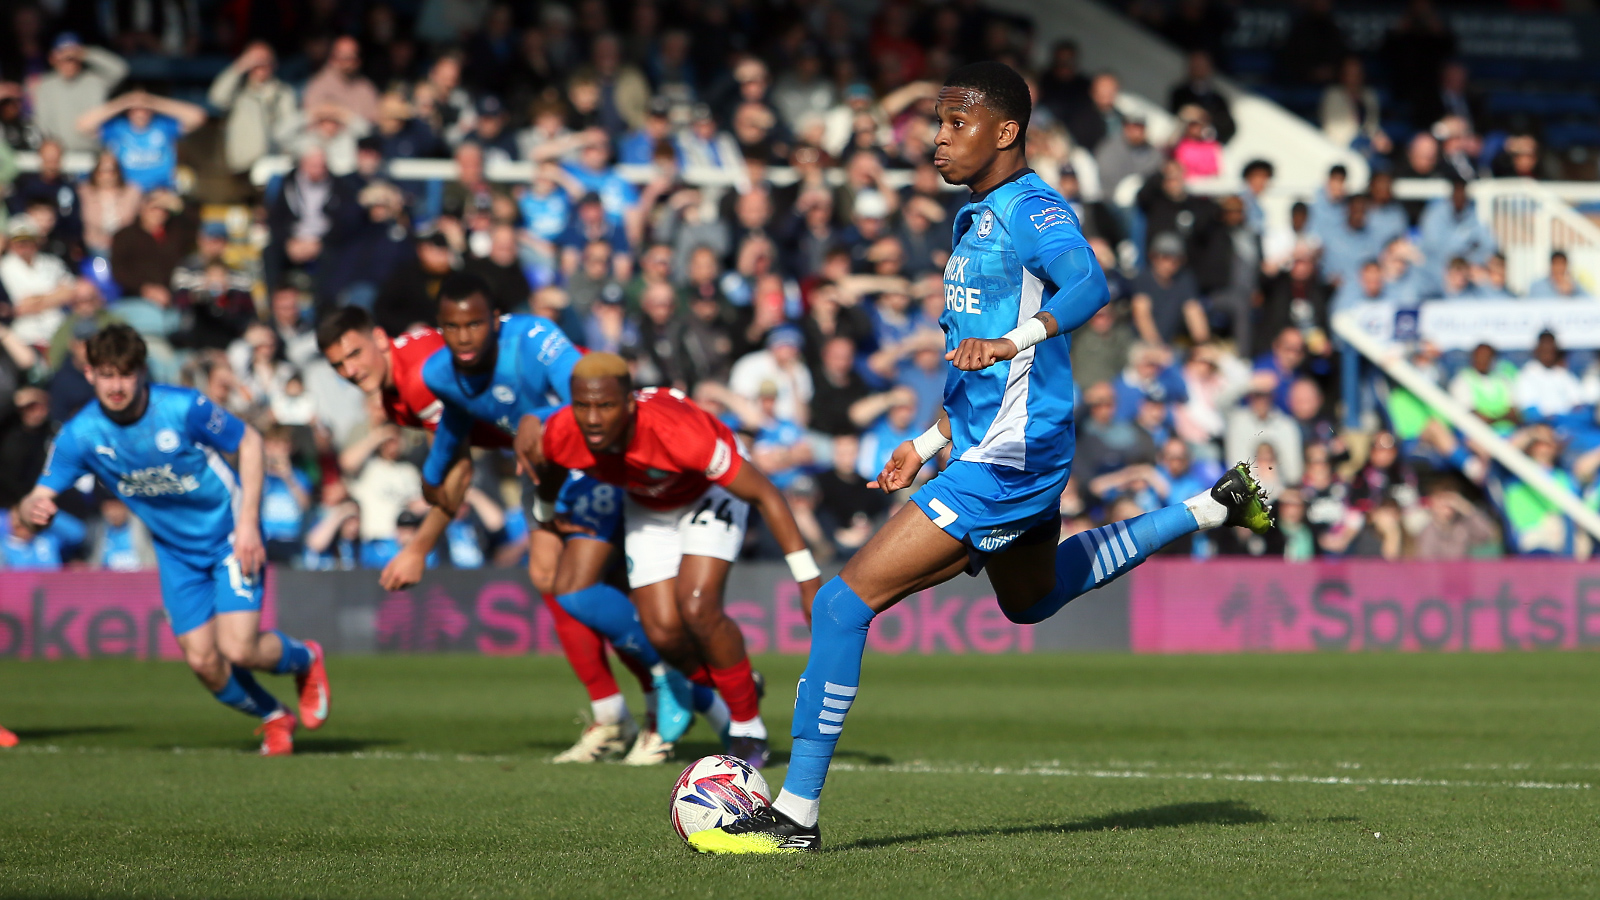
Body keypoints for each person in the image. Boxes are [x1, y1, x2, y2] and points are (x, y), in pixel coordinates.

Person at [687, 61, 1272, 855]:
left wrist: (1015, 338)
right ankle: (1215, 505)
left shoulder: (1032, 206)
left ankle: (794, 817)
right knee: (1030, 601)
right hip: (999, 446)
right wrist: (928, 442)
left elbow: (1091, 285)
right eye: (937, 124)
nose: (938, 141)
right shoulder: (974, 219)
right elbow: (973, 362)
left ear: (1006, 131)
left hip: (1013, 456)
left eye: (955, 125)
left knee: (838, 605)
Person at [414, 275, 704, 763]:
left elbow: (585, 389)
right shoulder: (439, 372)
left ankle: (678, 678)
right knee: (550, 578)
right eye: (452, 326)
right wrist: (433, 470)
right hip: (540, 471)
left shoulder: (534, 336)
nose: (464, 336)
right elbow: (459, 415)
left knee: (580, 584)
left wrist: (540, 419)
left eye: (474, 324)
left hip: (593, 460)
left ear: (496, 320)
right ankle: (619, 712)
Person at [17, 325, 329, 755]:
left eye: (125, 374)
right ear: (90, 375)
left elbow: (250, 441)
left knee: (238, 648)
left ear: (142, 371)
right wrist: (32, 509)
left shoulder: (181, 408)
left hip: (229, 538)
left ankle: (306, 659)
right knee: (203, 661)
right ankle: (276, 717)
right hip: (176, 553)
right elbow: (36, 498)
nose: (117, 386)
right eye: (106, 375)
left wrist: (249, 523)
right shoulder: (80, 434)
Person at [535, 353, 825, 769]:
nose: (593, 418)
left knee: (697, 605)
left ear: (629, 404)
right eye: (583, 406)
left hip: (710, 492)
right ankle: (741, 684)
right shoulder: (563, 431)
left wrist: (807, 579)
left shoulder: (679, 432)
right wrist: (545, 513)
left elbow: (765, 494)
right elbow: (551, 469)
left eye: (606, 406)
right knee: (663, 633)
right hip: (648, 506)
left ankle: (748, 730)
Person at [75, 89, 207, 192]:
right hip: (126, 190)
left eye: (145, 108)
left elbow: (198, 117)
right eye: (136, 108)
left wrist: (153, 101)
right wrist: (124, 102)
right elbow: (83, 125)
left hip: (161, 189)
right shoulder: (117, 128)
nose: (141, 113)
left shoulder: (163, 126)